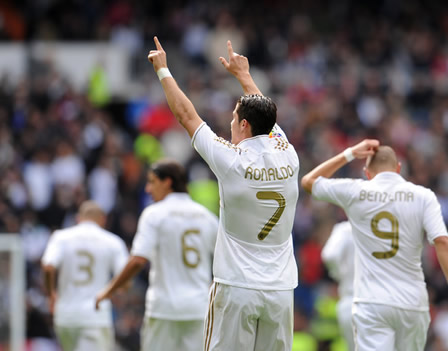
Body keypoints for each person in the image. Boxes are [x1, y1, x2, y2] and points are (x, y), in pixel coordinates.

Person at [147, 37, 299, 351]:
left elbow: (187, 117)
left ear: (244, 124)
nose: (229, 123)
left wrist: (163, 70)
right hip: (281, 291)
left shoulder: (231, 161)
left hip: (236, 287)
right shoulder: (289, 153)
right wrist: (243, 75)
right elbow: (266, 119)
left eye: (233, 118)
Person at [301, 142, 448, 351]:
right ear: (398, 168)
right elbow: (442, 241)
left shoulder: (356, 191)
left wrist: (350, 153)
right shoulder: (424, 196)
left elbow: (308, 181)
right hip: (412, 301)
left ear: (367, 173)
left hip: (371, 302)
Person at [96, 159, 218, 351]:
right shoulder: (207, 217)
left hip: (164, 309)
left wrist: (108, 290)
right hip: (198, 308)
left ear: (167, 182)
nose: (147, 189)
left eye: (152, 182)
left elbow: (138, 260)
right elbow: (224, 260)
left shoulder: (154, 214)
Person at [41, 200, 129, 351]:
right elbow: (126, 279)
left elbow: (48, 267)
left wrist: (51, 294)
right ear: (103, 219)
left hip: (65, 317)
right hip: (94, 317)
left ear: (78, 218)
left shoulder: (60, 237)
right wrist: (113, 291)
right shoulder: (113, 242)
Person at [321, 221, 355, 351]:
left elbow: (329, 255)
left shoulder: (345, 229)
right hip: (378, 300)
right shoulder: (378, 227)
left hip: (350, 299)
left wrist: (339, 274)